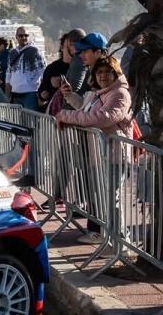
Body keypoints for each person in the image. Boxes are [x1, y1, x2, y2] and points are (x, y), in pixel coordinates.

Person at [57, 55, 133, 244]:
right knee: (102, 200)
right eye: (99, 72)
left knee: (111, 200)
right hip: (98, 155)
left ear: (115, 74)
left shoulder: (120, 94)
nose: (103, 76)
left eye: (107, 72)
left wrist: (65, 115)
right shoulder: (97, 93)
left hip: (114, 155)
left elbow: (102, 118)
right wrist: (69, 96)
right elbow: (85, 111)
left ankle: (120, 241)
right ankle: (108, 238)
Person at [61, 32, 108, 107]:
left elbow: (98, 114)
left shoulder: (107, 77)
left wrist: (67, 115)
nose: (80, 55)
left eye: (85, 51)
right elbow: (85, 106)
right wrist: (69, 94)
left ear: (97, 53)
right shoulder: (92, 74)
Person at [6, 27, 45, 111]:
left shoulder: (35, 51)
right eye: (21, 35)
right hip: (15, 94)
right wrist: (7, 95)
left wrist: (42, 94)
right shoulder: (12, 52)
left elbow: (43, 71)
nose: (24, 37)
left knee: (31, 121)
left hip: (31, 94)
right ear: (16, 37)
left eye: (26, 35)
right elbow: (8, 75)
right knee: (16, 122)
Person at [38, 35, 71, 111]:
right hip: (55, 111)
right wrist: (43, 95)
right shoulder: (52, 68)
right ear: (62, 47)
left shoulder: (82, 67)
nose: (72, 49)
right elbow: (42, 90)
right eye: (69, 46)